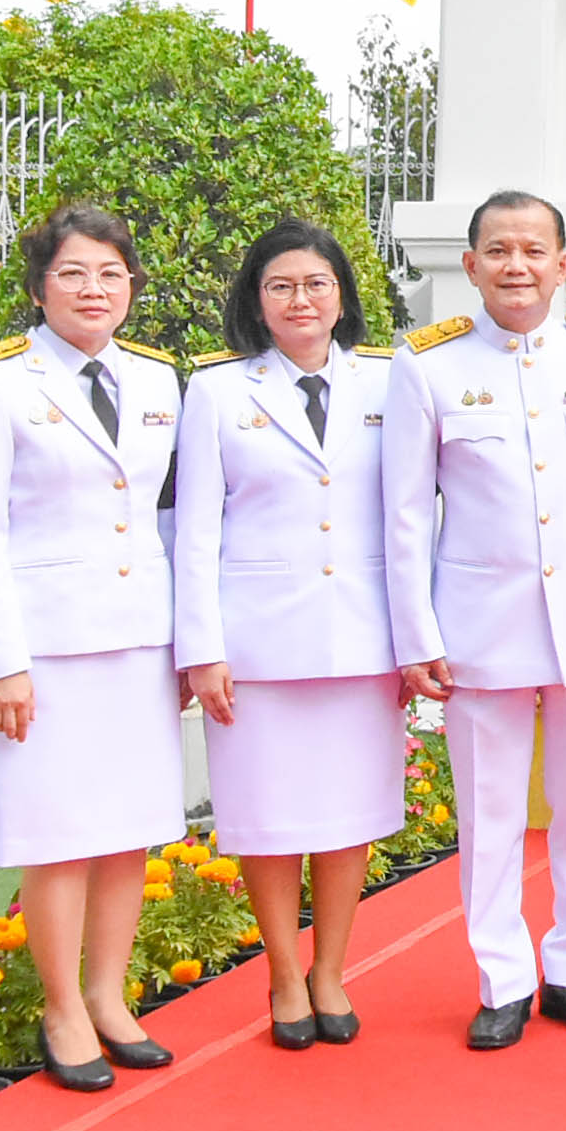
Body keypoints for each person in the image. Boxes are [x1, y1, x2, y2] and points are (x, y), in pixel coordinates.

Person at [0, 202, 185, 1090]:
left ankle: (108, 995)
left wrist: (185, 643)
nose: (93, 289)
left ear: (131, 286)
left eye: (111, 273)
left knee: (129, 828)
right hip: (44, 648)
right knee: (57, 831)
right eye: (73, 272)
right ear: (40, 286)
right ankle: (62, 1007)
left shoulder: (157, 379)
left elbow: (167, 517)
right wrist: (1, 662)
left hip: (139, 638)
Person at [382, 191, 566, 1050]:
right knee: (490, 816)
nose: (516, 265)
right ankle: (502, 978)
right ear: (471, 265)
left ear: (563, 263)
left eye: (532, 249)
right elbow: (405, 514)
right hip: (478, 627)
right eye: (498, 250)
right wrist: (416, 635)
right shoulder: (427, 365)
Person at [173, 221, 404, 1052]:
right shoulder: (217, 391)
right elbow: (195, 529)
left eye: (315, 283)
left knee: (348, 813)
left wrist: (417, 637)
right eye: (280, 285)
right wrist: (201, 648)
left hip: (363, 638)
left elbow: (412, 514)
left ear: (343, 295)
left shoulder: (390, 381)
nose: (299, 299)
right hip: (257, 645)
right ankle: (281, 972)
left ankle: (331, 968)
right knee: (265, 817)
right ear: (256, 299)